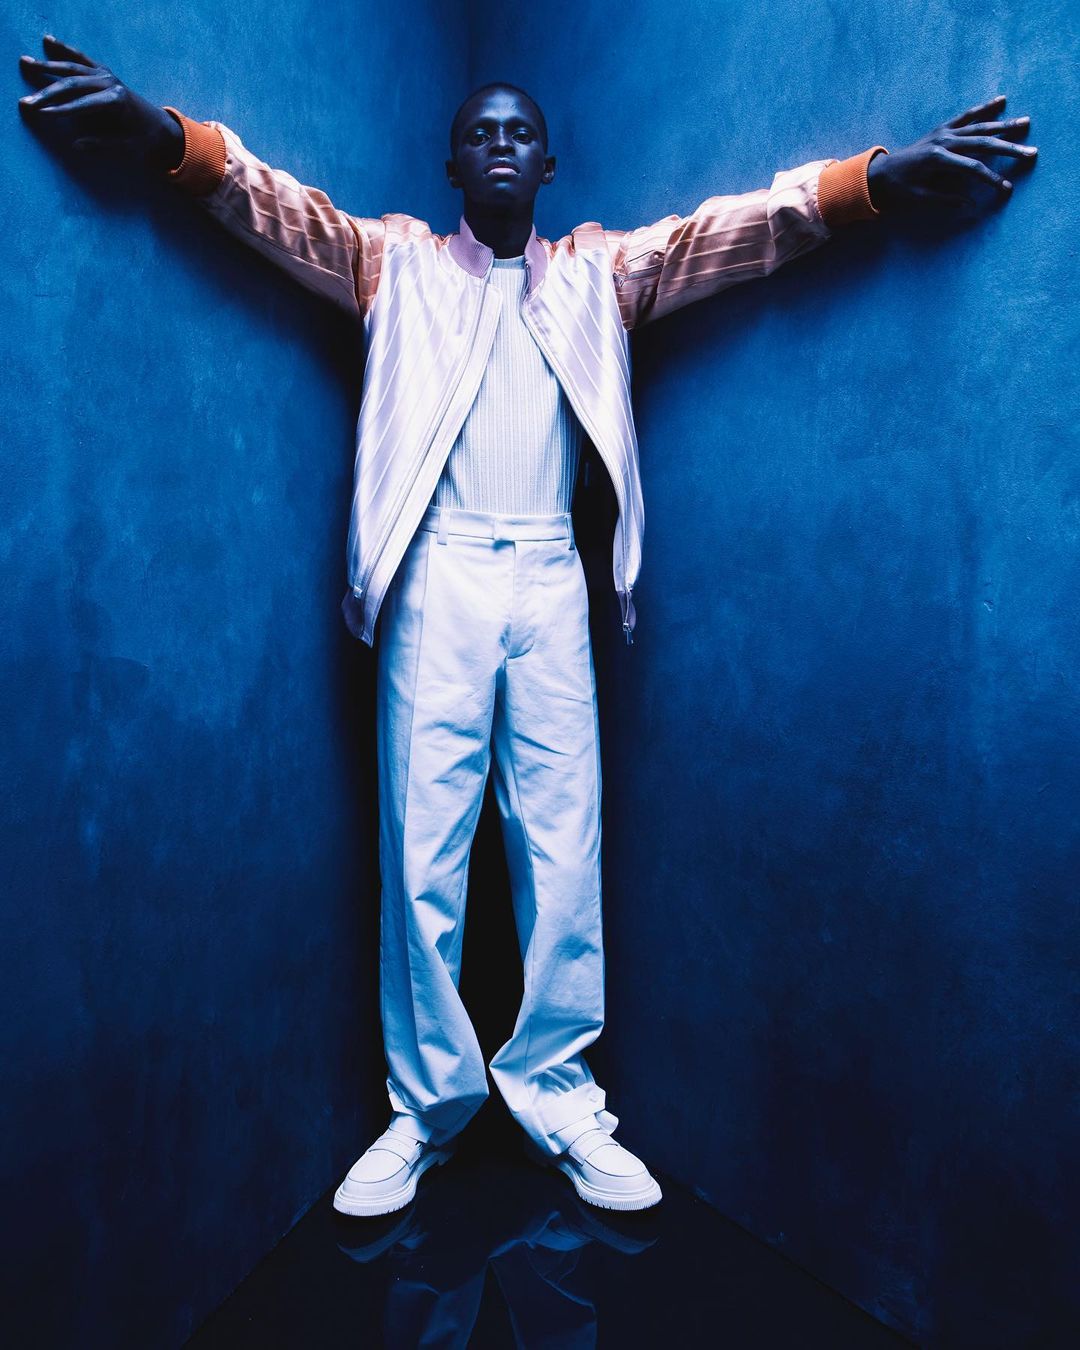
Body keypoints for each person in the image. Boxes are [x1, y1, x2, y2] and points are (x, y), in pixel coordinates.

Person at [18, 34, 1037, 1217]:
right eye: (479, 133)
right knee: (422, 850)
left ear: (548, 164)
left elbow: (736, 229)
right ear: (452, 163)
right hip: (436, 576)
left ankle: (558, 1095)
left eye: (520, 133)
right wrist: (162, 137)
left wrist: (875, 181)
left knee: (563, 848)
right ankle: (426, 1109)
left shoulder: (599, 274)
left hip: (553, 575)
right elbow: (273, 206)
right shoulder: (394, 263)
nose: (500, 144)